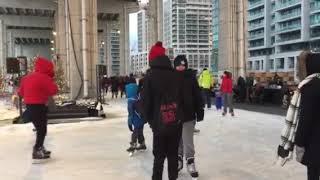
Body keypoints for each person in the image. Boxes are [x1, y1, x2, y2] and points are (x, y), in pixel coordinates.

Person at [141, 41, 183, 180]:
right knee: (172, 156)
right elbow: (181, 99)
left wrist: (149, 119)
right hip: (175, 122)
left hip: (159, 124)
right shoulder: (176, 75)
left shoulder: (150, 77)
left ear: (152, 58)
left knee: (158, 157)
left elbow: (146, 102)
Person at [18, 57, 58, 161]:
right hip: (39, 106)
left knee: (40, 129)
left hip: (29, 106)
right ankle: (37, 149)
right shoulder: (44, 77)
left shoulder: (26, 78)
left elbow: (20, 93)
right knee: (42, 129)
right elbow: (54, 90)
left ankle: (40, 148)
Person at [173, 55, 204, 178]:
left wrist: (199, 110)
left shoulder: (191, 78)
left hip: (188, 114)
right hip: (174, 116)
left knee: (188, 141)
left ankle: (190, 162)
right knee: (177, 141)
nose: (181, 67)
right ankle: (178, 160)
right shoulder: (170, 78)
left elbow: (197, 95)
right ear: (175, 66)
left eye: (183, 65)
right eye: (179, 65)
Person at [294, 51, 320, 180]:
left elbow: (305, 119)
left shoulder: (311, 86)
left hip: (315, 143)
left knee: (313, 174)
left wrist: (299, 142)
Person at [125, 78, 146, 154]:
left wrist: (129, 123)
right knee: (140, 132)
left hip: (136, 119)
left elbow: (130, 114)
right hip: (141, 118)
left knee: (135, 132)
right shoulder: (138, 98)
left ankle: (133, 144)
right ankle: (142, 144)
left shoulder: (130, 101)